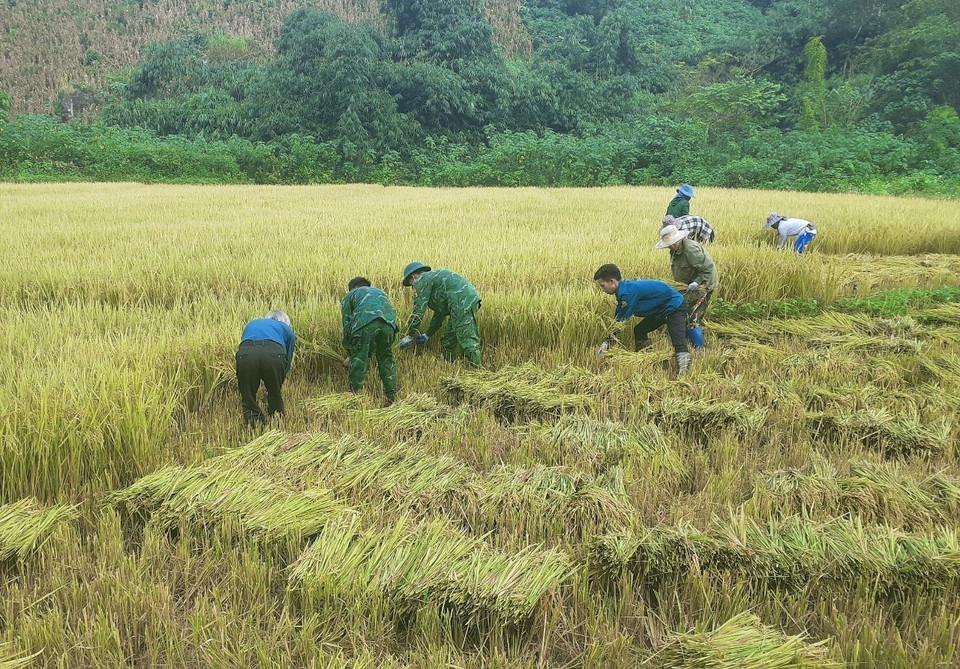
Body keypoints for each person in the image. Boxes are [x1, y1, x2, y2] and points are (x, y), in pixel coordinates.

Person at [593, 264, 691, 374]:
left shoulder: (628, 293)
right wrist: (608, 340)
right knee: (639, 330)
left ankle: (684, 372)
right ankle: (646, 358)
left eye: (602, 285)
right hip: (660, 309)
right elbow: (619, 315)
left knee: (678, 341)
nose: (602, 289)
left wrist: (608, 341)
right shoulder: (623, 291)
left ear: (612, 281)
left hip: (675, 306)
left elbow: (622, 320)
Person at [399, 262, 482, 367]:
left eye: (411, 284)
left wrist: (410, 335)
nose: (413, 288)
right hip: (461, 304)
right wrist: (428, 334)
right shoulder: (434, 281)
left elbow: (418, 311)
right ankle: (450, 366)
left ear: (413, 276)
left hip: (461, 303)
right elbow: (439, 314)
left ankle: (479, 370)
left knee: (467, 340)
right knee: (448, 340)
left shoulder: (421, 279)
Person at [656, 225, 718, 351]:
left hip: (703, 285)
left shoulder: (690, 250)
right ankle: (686, 340)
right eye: (668, 244)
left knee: (693, 317)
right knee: (682, 311)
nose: (669, 245)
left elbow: (708, 269)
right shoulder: (674, 250)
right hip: (688, 287)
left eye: (671, 243)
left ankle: (698, 349)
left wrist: (696, 282)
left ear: (677, 239)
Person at [341, 277, 399, 405]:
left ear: (352, 288)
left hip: (364, 324)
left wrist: (350, 352)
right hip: (389, 325)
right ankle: (391, 397)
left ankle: (355, 398)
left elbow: (347, 325)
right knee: (386, 358)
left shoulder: (350, 295)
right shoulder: (380, 292)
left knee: (360, 359)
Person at [236, 310, 296, 427]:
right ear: (285, 321)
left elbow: (243, 343)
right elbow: (287, 359)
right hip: (274, 353)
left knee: (247, 393)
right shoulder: (286, 329)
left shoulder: (252, 323)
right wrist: (278, 378)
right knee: (275, 392)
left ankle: (255, 425)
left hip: (246, 354)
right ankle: (276, 421)